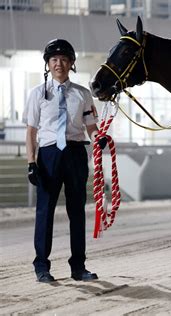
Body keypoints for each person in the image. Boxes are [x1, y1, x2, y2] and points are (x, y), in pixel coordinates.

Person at [24, 38, 106, 283]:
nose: (59, 64)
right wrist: (31, 162)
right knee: (45, 212)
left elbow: (91, 127)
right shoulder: (38, 94)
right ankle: (41, 266)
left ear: (72, 63)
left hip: (75, 154)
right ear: (48, 64)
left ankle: (78, 267)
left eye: (64, 59)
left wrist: (98, 138)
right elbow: (31, 132)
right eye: (54, 60)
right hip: (49, 155)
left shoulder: (83, 94)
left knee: (77, 212)